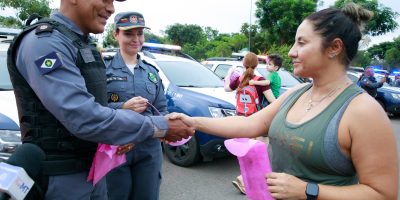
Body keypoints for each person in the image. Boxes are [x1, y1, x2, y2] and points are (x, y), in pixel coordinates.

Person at [169, 3, 398, 200]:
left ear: (334, 48)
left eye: (301, 42)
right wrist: (193, 122)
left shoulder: (363, 111)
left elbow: (382, 193)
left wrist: (308, 190)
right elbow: (249, 125)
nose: (291, 52)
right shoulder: (297, 93)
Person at [7, 0, 194, 199]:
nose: (111, 8)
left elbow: (103, 107)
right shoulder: (45, 43)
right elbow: (85, 117)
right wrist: (160, 126)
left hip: (95, 168)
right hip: (62, 176)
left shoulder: (82, 45)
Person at [104, 11, 166, 200]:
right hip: (115, 148)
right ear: (116, 34)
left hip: (148, 149)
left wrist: (138, 136)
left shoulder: (152, 72)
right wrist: (122, 107)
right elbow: (90, 109)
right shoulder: (102, 68)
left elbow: (162, 112)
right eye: (129, 34)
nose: (136, 39)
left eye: (139, 33)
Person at [224, 52, 276, 194]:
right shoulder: (260, 80)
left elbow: (227, 88)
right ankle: (243, 179)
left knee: (246, 152)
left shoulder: (240, 79)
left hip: (241, 121)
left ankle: (247, 180)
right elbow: (272, 101)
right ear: (257, 64)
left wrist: (229, 73)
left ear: (243, 64)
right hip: (257, 121)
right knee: (259, 153)